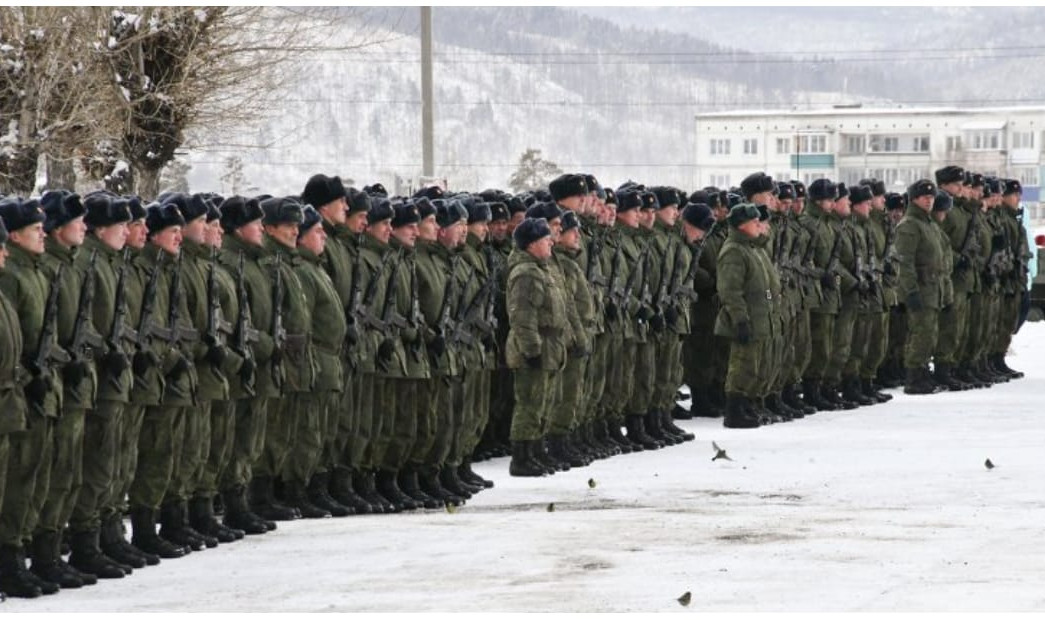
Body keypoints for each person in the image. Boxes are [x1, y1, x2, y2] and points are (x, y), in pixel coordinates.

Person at [0, 197, 58, 598]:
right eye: (36, 230)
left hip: (19, 399)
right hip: (12, 397)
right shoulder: (13, 280)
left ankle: (19, 560)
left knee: (28, 480)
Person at [506, 217, 569, 476]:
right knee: (530, 404)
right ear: (532, 244)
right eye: (545, 239)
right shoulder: (526, 273)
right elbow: (522, 316)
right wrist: (531, 349)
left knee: (544, 403)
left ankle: (536, 451)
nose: (551, 242)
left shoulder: (542, 269)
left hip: (550, 345)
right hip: (535, 345)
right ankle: (521, 457)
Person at [715, 203, 777, 429]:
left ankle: (748, 405)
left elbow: (768, 285)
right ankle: (734, 410)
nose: (759, 226)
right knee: (742, 365)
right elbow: (730, 291)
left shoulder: (754, 248)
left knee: (757, 365)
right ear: (742, 225)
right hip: (747, 318)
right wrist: (740, 319)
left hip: (761, 316)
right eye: (754, 222)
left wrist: (771, 306)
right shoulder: (734, 250)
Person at [894, 180, 948, 394]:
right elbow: (904, 262)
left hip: (933, 288)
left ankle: (923, 372)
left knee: (930, 333)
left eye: (932, 197)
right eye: (924, 197)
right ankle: (914, 377)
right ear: (914, 199)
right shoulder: (909, 225)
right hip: (920, 288)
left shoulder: (929, 224)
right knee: (920, 333)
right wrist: (911, 291)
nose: (929, 200)